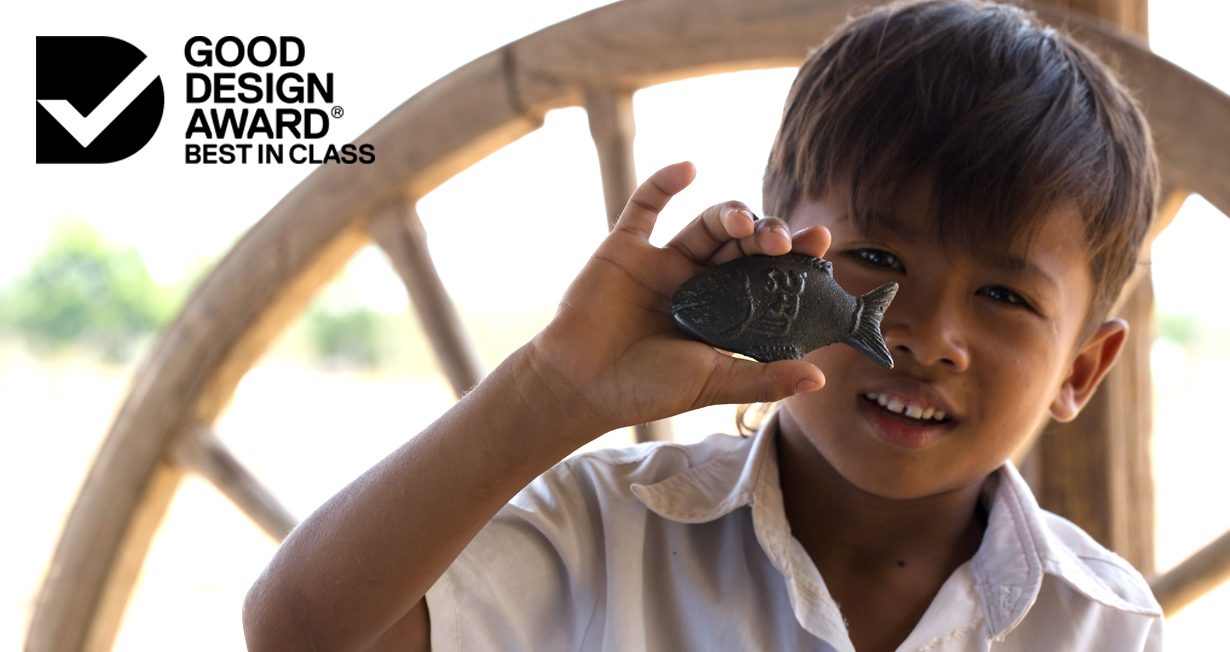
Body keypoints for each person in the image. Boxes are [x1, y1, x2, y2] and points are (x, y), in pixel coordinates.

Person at [241, 0, 1163, 650]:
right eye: (878, 256)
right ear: (776, 257)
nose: (925, 336)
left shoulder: (1104, 627)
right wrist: (550, 390)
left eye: (1004, 296)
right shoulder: (604, 536)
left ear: (1081, 369)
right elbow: (298, 632)